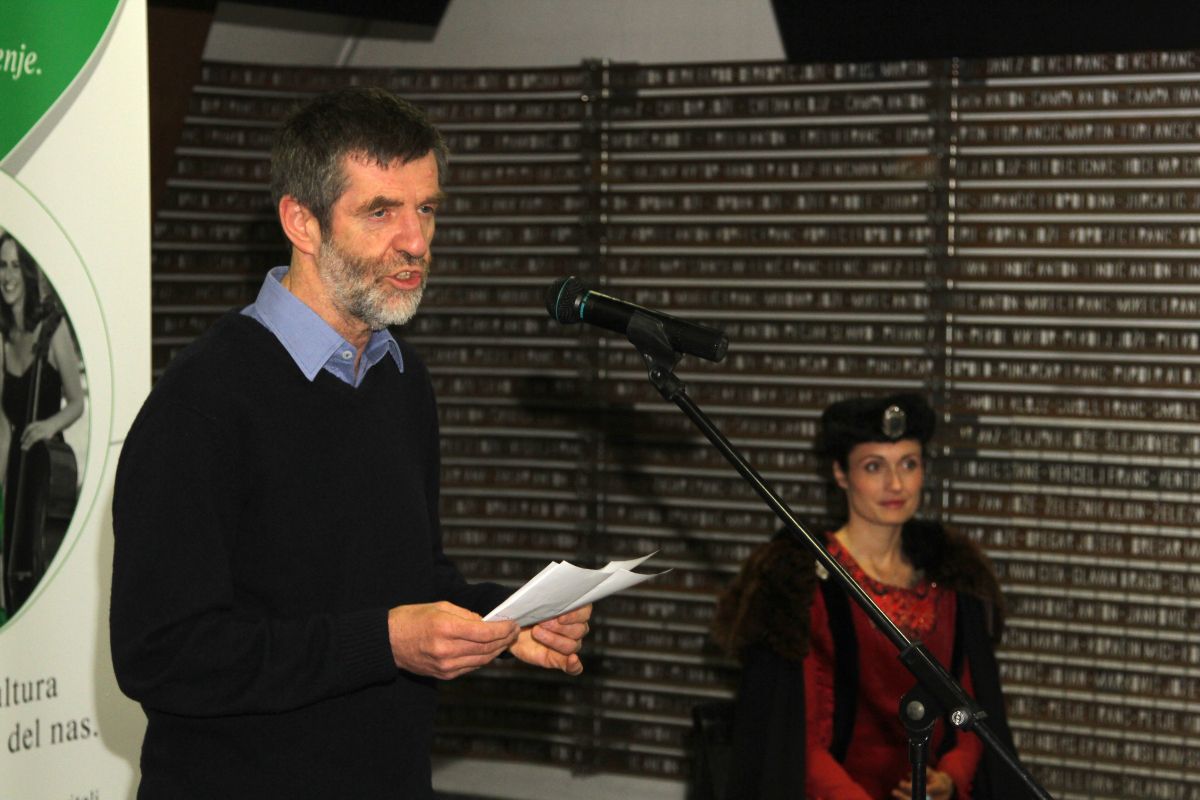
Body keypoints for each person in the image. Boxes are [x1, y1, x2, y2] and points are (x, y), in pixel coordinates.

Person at [109, 87, 592, 799]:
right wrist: (385, 642)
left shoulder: (401, 379)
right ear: (301, 222)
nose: (417, 241)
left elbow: (407, 579)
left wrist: (506, 617)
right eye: (381, 212)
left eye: (427, 209)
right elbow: (161, 653)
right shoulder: (202, 401)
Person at [712, 393, 1024, 800]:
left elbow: (973, 714)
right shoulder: (804, 580)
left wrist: (949, 779)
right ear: (840, 473)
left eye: (908, 464)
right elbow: (797, 743)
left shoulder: (949, 575)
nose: (895, 484)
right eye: (874, 466)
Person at [0, 233, 84, 615]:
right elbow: (4, 422)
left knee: (41, 566)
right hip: (18, 467)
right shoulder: (4, 337)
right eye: (2, 266)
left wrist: (50, 426)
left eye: (16, 266)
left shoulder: (54, 328)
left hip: (48, 466)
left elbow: (77, 402)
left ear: (29, 273)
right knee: (13, 569)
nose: (7, 276)